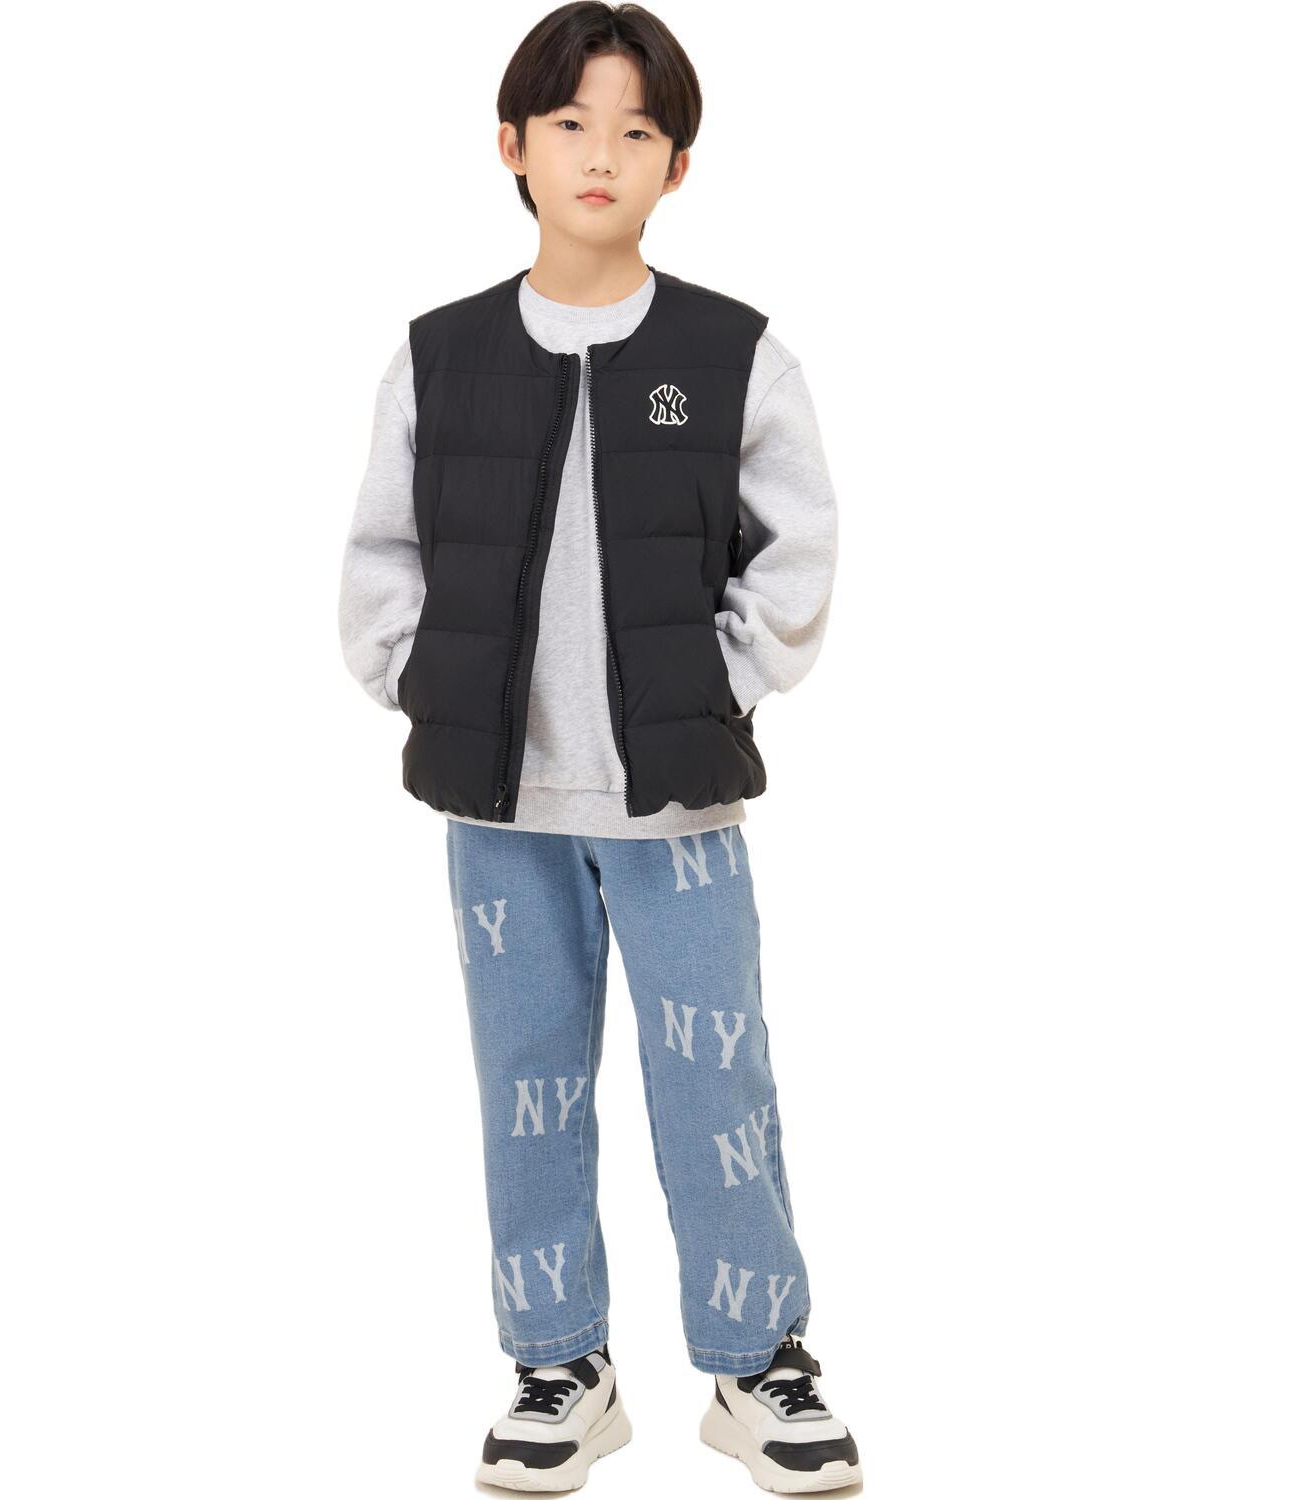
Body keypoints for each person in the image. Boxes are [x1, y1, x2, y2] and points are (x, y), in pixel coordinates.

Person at [339, 5, 858, 1491]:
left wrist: (722, 681)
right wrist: (422, 680)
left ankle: (757, 1361)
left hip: (676, 803)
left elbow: (799, 550)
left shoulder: (731, 351)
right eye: (570, 123)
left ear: (675, 165)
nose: (600, 155)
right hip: (498, 804)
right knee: (526, 1080)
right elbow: (381, 553)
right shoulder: (440, 355)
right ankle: (560, 1362)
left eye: (636, 130)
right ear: (512, 145)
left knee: (717, 1081)